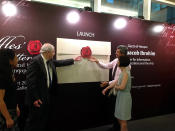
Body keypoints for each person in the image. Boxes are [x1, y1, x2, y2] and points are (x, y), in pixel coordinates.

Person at [25, 43, 80, 131]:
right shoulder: (35, 61)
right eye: (53, 52)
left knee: (43, 119)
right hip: (37, 98)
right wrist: (35, 98)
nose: (54, 54)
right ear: (47, 52)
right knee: (34, 120)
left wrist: (73, 60)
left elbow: (59, 63)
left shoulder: (49, 61)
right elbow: (31, 81)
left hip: (47, 95)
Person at [88, 45, 129, 131]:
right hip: (115, 89)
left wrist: (108, 84)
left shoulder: (127, 66)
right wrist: (97, 62)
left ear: (122, 54)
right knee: (116, 110)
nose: (115, 53)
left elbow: (119, 80)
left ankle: (118, 127)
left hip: (120, 92)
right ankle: (116, 127)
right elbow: (107, 66)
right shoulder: (116, 60)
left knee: (120, 113)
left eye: (117, 52)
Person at [102, 56, 132, 131]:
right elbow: (116, 82)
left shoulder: (125, 73)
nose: (117, 62)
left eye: (118, 61)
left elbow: (122, 87)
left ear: (122, 62)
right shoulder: (123, 72)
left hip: (124, 98)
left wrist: (115, 87)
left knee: (123, 120)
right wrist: (106, 88)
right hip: (120, 97)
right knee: (119, 118)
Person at [0, 49, 20, 131]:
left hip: (12, 110)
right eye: (16, 57)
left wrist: (16, 106)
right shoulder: (2, 76)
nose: (17, 59)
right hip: (5, 114)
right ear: (9, 60)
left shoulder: (9, 73)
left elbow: (11, 93)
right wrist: (7, 118)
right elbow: (0, 100)